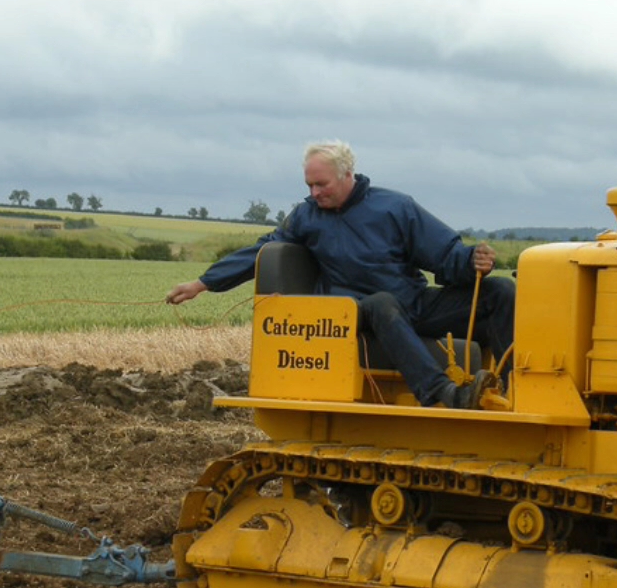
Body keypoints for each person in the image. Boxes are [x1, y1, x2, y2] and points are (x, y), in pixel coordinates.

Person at [166, 141, 516, 409]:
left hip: (413, 303)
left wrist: (471, 260)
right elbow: (261, 251)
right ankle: (442, 394)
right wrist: (203, 283)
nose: (314, 194)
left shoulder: (395, 207)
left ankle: (512, 389)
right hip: (356, 312)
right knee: (382, 303)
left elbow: (444, 255)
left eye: (321, 184)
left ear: (348, 174)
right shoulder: (306, 216)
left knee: (501, 291)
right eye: (309, 186)